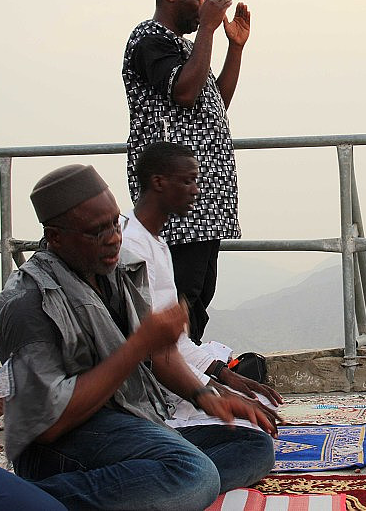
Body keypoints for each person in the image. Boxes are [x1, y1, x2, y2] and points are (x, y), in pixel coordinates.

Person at [0, 164, 278, 510]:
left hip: (126, 423)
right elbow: (49, 424)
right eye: (97, 231)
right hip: (62, 445)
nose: (114, 237)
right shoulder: (29, 301)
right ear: (55, 237)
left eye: (115, 223)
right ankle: (26, 501)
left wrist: (207, 397)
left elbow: (162, 356)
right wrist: (138, 345)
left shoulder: (119, 269)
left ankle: (146, 484)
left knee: (252, 446)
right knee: (195, 475)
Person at [123, 0, 250, 344]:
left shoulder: (186, 47)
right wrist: (208, 28)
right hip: (176, 195)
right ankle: (177, 379)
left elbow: (213, 100)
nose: (204, 3)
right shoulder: (149, 39)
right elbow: (183, 91)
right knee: (181, 295)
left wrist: (235, 48)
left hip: (206, 196)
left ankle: (192, 370)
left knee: (199, 293)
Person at [120, 141, 283, 432]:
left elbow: (176, 344)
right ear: (158, 182)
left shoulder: (155, 241)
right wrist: (220, 394)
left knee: (260, 402)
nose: (196, 190)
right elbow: (154, 354)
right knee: (252, 438)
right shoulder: (132, 247)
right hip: (153, 387)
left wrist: (227, 376)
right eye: (188, 181)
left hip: (176, 370)